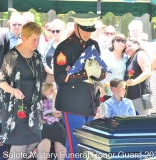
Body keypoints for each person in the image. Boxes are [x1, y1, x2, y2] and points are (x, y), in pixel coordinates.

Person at [0, 22, 54, 160]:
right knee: (19, 146)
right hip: (16, 108)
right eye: (34, 39)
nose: (37, 42)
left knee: (34, 141)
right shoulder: (12, 56)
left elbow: (43, 78)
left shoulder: (36, 56)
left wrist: (62, 76)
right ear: (24, 37)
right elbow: (1, 81)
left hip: (33, 108)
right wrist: (14, 90)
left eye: (38, 39)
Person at [53, 13, 106, 160]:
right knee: (75, 146)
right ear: (76, 27)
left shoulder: (93, 45)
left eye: (90, 30)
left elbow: (101, 73)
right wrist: (85, 73)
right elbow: (60, 77)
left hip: (89, 102)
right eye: (85, 30)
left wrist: (98, 73)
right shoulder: (64, 47)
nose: (88, 33)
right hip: (72, 102)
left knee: (88, 146)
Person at [37, 82, 66, 160]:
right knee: (46, 139)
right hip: (43, 123)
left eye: (54, 89)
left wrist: (54, 97)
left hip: (55, 124)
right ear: (44, 91)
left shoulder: (56, 99)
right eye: (51, 90)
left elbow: (55, 110)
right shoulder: (38, 100)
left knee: (59, 131)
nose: (53, 91)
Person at [124, 38, 151, 115]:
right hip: (131, 97)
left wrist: (135, 81)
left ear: (137, 44)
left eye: (130, 46)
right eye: (125, 48)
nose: (127, 48)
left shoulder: (140, 54)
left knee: (142, 123)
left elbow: (147, 72)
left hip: (141, 97)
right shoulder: (130, 58)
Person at [100, 34, 127, 99]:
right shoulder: (105, 54)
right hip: (106, 92)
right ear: (113, 42)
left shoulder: (126, 58)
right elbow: (99, 72)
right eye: (118, 40)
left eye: (123, 41)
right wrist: (101, 88)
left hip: (121, 93)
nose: (121, 43)